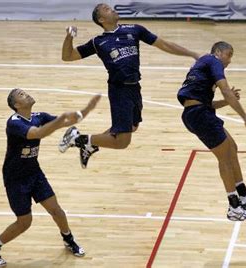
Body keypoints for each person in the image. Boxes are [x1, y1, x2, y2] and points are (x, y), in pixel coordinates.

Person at [59, 3, 200, 168]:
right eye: (106, 9)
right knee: (122, 142)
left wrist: (192, 54)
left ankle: (89, 145)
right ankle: (78, 138)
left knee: (132, 126)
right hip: (119, 90)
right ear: (101, 19)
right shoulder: (98, 42)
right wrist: (69, 37)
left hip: (134, 87)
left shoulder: (134, 29)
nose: (111, 8)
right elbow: (67, 56)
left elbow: (164, 44)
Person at [0, 88, 101, 267]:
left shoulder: (39, 115)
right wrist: (60, 120)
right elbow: (37, 133)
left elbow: (68, 120)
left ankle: (68, 239)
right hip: (16, 178)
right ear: (16, 105)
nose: (26, 94)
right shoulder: (14, 123)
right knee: (24, 222)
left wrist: (85, 111)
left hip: (34, 172)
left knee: (56, 210)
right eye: (21, 95)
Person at [177, 41, 246, 221]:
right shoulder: (213, 61)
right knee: (225, 157)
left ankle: (244, 196)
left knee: (232, 148)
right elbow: (225, 90)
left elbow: (208, 103)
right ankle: (234, 208)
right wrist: (245, 117)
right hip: (198, 115)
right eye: (229, 55)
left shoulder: (203, 68)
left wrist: (227, 101)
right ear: (218, 52)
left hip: (200, 112)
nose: (230, 60)